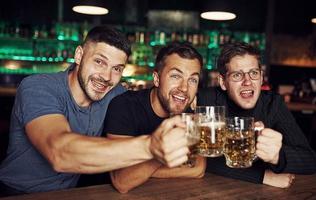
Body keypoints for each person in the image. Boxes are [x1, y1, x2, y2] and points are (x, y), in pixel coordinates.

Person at [0, 26, 190, 196]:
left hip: (71, 193)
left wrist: (183, 102)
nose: (107, 77)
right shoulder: (38, 87)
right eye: (99, 62)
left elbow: (149, 102)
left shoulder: (115, 94)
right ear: (79, 55)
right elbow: (59, 152)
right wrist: (150, 147)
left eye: (117, 69)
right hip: (17, 193)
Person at [197, 42, 316, 188]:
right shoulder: (205, 101)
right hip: (211, 189)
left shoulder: (273, 104)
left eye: (253, 73)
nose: (247, 81)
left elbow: (310, 160)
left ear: (261, 77)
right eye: (237, 75)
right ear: (223, 82)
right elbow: (197, 157)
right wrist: (262, 176)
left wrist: (278, 156)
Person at [104, 42, 206, 193]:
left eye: (193, 80)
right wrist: (163, 150)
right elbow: (121, 180)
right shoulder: (124, 106)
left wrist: (139, 172)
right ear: (157, 79)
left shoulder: (190, 113)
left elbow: (197, 169)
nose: (184, 88)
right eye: (176, 76)